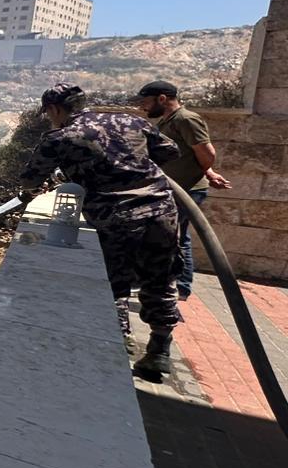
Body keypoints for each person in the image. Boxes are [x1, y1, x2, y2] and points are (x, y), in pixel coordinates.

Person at [18, 83, 184, 380]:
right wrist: (131, 165)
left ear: (54, 109)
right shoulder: (130, 121)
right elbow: (171, 151)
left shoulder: (60, 137)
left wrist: (79, 170)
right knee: (161, 278)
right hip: (162, 210)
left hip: (116, 216)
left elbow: (30, 180)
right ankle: (159, 350)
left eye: (49, 113)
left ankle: (118, 346)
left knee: (115, 283)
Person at [134, 80, 232, 301]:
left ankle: (179, 287)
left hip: (186, 190)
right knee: (176, 236)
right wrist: (209, 173)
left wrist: (204, 172)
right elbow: (190, 153)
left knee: (173, 237)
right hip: (174, 188)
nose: (142, 107)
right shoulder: (168, 121)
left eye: (145, 101)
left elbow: (207, 153)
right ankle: (172, 284)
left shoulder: (186, 119)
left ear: (162, 99)